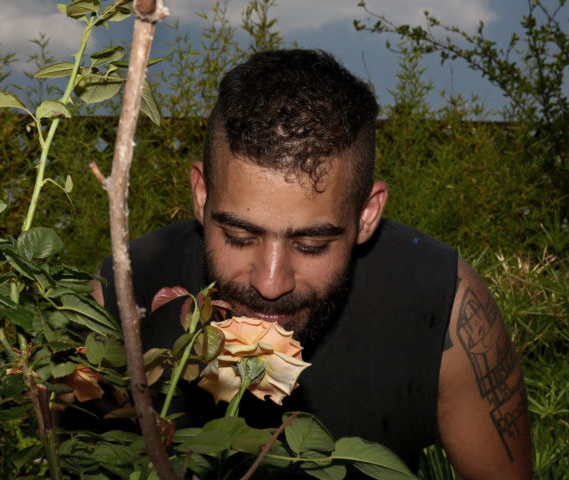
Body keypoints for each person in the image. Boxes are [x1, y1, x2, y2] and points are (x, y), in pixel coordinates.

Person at [93, 49, 532, 478]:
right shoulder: (121, 298)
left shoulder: (441, 306)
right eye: (240, 237)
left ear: (366, 214)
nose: (270, 283)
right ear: (202, 197)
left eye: (311, 244)